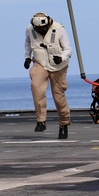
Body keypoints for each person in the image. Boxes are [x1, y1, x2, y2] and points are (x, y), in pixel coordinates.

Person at [23, 11, 72, 139]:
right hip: (40, 63)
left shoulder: (59, 29)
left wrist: (61, 58)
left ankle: (64, 123)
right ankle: (41, 120)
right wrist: (27, 57)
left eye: (42, 29)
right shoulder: (30, 30)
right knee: (36, 86)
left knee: (58, 95)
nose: (40, 31)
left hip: (58, 66)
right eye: (37, 29)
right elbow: (27, 44)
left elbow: (68, 49)